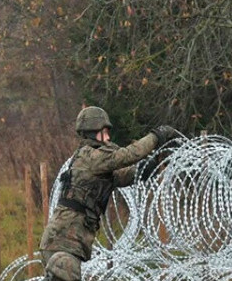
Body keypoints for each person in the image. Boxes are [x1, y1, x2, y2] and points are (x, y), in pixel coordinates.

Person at [38, 106, 180, 265]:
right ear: (93, 133)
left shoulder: (95, 163)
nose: (107, 138)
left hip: (68, 240)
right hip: (63, 241)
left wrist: (154, 163)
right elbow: (128, 155)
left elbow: (127, 175)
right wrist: (157, 136)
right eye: (104, 132)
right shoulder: (91, 156)